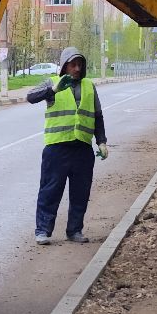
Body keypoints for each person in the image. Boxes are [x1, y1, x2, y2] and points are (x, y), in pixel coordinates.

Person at [26, 46, 108, 244]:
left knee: (81, 192)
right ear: (64, 66)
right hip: (57, 148)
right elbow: (30, 97)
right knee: (50, 190)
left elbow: (97, 116)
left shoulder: (89, 85)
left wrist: (102, 141)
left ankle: (74, 230)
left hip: (82, 148)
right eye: (73, 64)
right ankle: (43, 231)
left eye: (80, 64)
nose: (77, 68)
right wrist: (52, 90)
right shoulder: (53, 83)